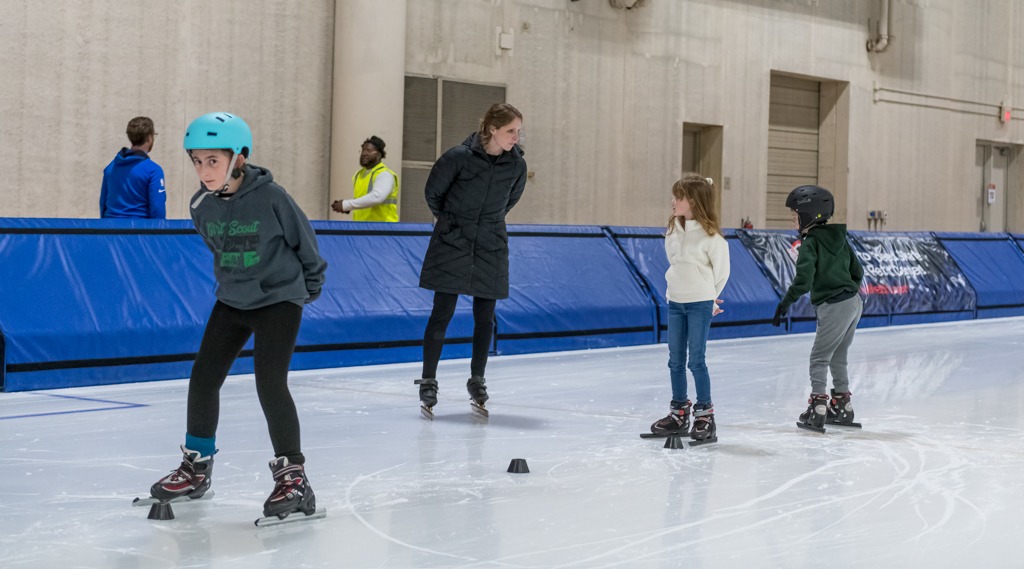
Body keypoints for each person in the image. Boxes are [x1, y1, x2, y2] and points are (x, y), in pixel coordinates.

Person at [148, 112, 328, 522]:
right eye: (197, 160)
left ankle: (294, 478)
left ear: (238, 159)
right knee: (203, 376)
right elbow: (220, 251)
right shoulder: (200, 206)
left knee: (269, 380)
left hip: (279, 298)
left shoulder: (273, 197)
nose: (203, 170)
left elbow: (306, 244)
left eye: (213, 160)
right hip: (232, 299)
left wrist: (308, 287)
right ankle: (196, 467)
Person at [415, 103, 527, 418]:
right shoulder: (457, 158)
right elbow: (433, 193)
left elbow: (510, 201)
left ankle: (477, 380)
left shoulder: (516, 166)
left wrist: (486, 225)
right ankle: (429, 381)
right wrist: (451, 222)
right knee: (442, 313)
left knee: (484, 317)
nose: (515, 137)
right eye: (510, 131)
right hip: (452, 242)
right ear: (492, 128)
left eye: (518, 131)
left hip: (490, 245)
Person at [772, 185, 864, 432]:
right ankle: (843, 406)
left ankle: (818, 407)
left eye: (795, 215)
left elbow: (803, 282)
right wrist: (848, 291)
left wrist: (785, 303)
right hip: (854, 303)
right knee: (838, 356)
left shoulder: (810, 244)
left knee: (819, 358)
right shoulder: (841, 239)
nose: (793, 220)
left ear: (809, 215)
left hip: (833, 306)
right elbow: (858, 272)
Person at [648, 175, 730, 444]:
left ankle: (705, 416)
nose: (673, 202)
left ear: (693, 201)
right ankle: (679, 412)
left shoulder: (711, 237)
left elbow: (722, 273)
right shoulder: (673, 231)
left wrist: (710, 298)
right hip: (676, 302)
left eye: (679, 197)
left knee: (696, 359)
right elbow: (675, 263)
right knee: (674, 360)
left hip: (699, 303)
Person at [99, 116, 166, 219]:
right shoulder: (153, 171)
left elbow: (103, 204)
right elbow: (157, 208)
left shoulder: (110, 168)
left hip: (110, 229)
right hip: (139, 231)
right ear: (149, 138)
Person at [331, 136, 400, 221]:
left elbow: (377, 197)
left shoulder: (385, 174)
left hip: (382, 229)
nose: (364, 153)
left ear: (379, 155)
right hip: (362, 228)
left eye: (369, 151)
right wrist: (348, 208)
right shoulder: (358, 175)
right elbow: (363, 201)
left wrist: (346, 205)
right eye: (363, 150)